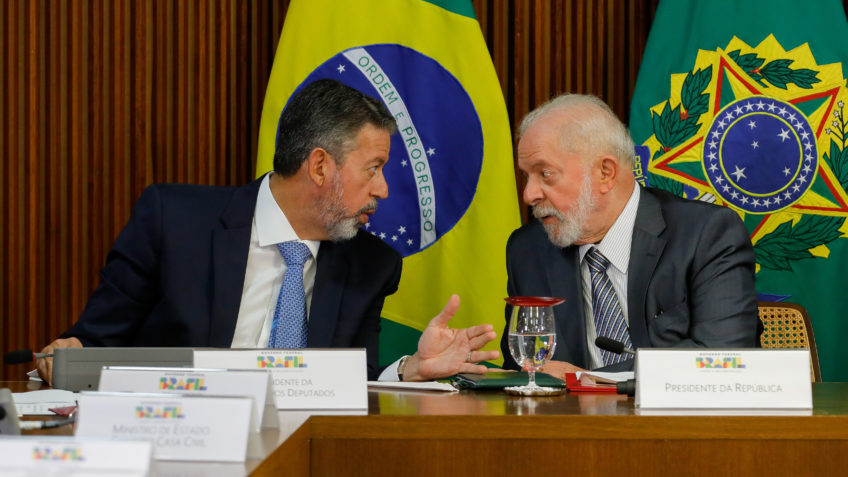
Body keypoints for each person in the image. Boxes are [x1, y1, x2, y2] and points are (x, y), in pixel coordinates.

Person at [38, 79, 499, 384]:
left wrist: (411, 370)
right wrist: (69, 353)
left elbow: (349, 382)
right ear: (320, 166)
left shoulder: (370, 265)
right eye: (374, 167)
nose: (382, 187)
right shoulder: (173, 222)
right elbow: (92, 345)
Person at [501, 93, 759, 376]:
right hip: (568, 420)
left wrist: (592, 380)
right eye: (527, 176)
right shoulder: (528, 249)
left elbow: (724, 357)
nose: (529, 194)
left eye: (545, 174)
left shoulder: (706, 234)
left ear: (605, 173)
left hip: (685, 418)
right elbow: (525, 364)